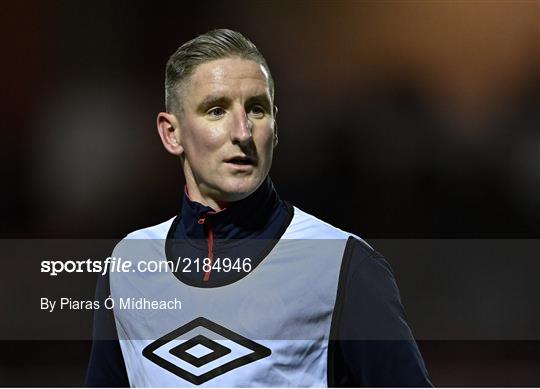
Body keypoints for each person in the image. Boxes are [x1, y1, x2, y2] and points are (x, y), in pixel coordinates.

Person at [86, 28, 432, 387]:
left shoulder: (342, 264)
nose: (243, 131)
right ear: (171, 134)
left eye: (256, 108)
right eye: (216, 110)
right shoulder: (127, 266)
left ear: (276, 125)